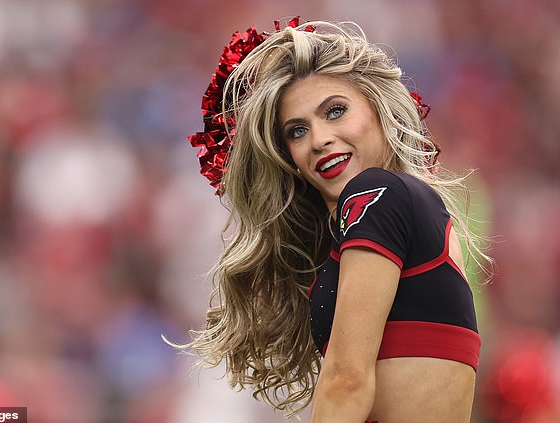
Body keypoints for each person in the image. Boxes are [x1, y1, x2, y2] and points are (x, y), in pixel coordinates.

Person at [181, 18, 492, 422]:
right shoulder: (407, 209)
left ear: (378, 108)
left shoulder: (379, 193)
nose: (319, 139)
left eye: (336, 111)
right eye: (296, 131)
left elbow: (347, 380)